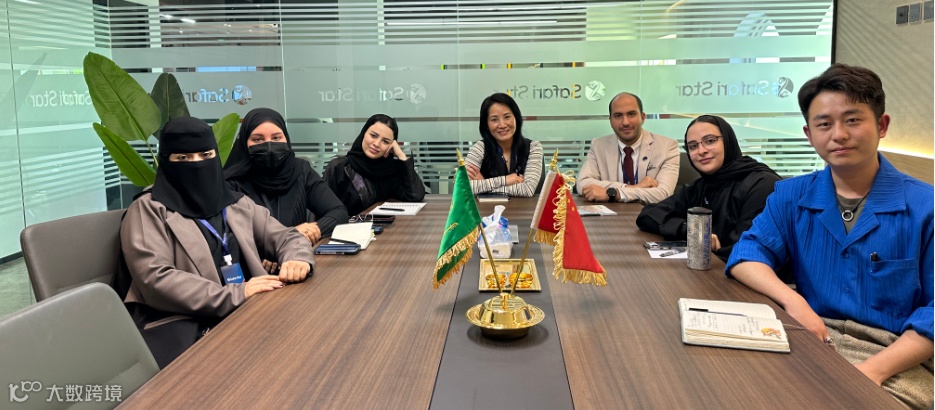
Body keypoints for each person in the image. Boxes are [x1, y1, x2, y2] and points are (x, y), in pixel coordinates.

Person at [726, 64, 933, 408]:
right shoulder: (790, 196)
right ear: (809, 135)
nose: (838, 134)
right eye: (824, 124)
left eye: (852, 120)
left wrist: (872, 371)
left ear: (882, 125)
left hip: (896, 357)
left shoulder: (926, 206)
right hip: (812, 337)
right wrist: (794, 302)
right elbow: (747, 255)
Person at [120, 117, 314, 368]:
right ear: (166, 160)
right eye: (183, 158)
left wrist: (297, 259)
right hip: (193, 333)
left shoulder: (235, 203)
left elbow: (287, 236)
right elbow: (156, 278)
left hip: (250, 317)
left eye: (205, 155)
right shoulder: (149, 209)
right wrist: (234, 294)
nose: (197, 164)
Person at [636, 115, 781, 261]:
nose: (701, 150)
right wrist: (691, 231)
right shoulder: (701, 186)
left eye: (710, 141)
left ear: (728, 141)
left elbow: (746, 251)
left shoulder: (762, 185)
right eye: (693, 146)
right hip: (707, 268)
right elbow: (648, 215)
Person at [224, 108, 349, 250]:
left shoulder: (301, 170)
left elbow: (338, 212)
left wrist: (312, 232)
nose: (269, 146)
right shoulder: (231, 182)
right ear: (244, 142)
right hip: (255, 262)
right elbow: (231, 237)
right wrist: (289, 237)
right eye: (258, 139)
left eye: (276, 138)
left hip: (299, 257)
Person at [576, 92, 680, 204]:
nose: (625, 122)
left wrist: (615, 193)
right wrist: (632, 187)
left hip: (650, 214)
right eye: (618, 116)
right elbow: (583, 183)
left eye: (631, 114)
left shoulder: (667, 147)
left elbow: (663, 194)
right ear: (610, 120)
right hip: (611, 213)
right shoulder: (598, 145)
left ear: (642, 117)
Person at [323, 114, 425, 216]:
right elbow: (323, 209)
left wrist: (401, 155)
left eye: (385, 141)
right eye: (373, 136)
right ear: (363, 134)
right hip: (347, 225)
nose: (376, 144)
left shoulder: (390, 169)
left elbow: (415, 195)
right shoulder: (339, 167)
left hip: (385, 225)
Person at [465, 93, 543, 197]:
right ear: (486, 124)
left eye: (507, 117)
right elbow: (463, 187)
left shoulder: (533, 147)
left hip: (523, 208)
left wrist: (483, 186)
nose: (502, 125)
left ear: (516, 118)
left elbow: (527, 190)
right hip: (487, 208)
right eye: (494, 119)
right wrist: (505, 180)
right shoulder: (479, 148)